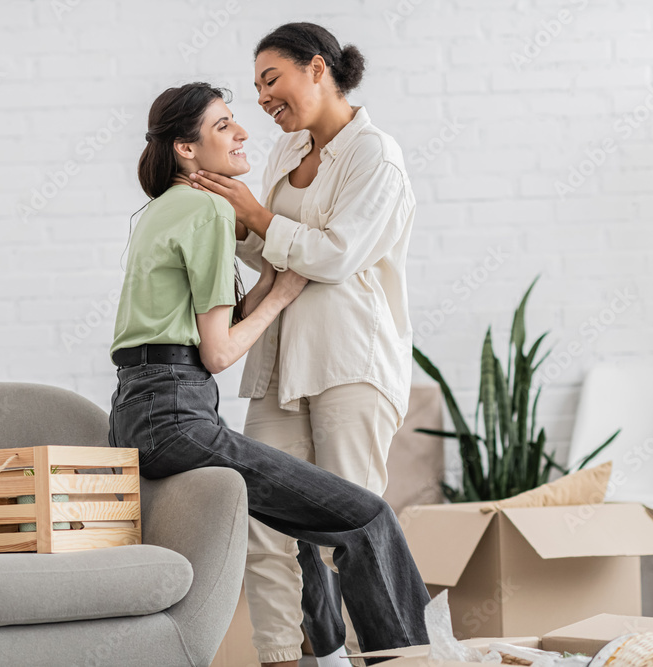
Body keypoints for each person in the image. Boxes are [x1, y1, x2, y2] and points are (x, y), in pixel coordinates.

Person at [107, 82, 429, 666]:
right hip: (178, 416)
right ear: (186, 148)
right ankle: (410, 661)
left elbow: (210, 325)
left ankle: (322, 657)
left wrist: (273, 282)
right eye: (224, 125)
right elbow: (218, 353)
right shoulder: (207, 208)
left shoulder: (161, 209)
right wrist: (280, 295)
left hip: (138, 413)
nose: (242, 132)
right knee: (367, 518)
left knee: (297, 530)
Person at [187, 23, 415, 667]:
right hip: (280, 363)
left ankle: (383, 658)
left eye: (271, 80)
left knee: (353, 529)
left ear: (317, 68)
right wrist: (230, 217)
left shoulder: (376, 156)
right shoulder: (289, 150)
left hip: (350, 364)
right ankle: (282, 658)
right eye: (257, 87)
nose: (262, 99)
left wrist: (257, 215)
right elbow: (277, 257)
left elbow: (336, 255)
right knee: (265, 528)